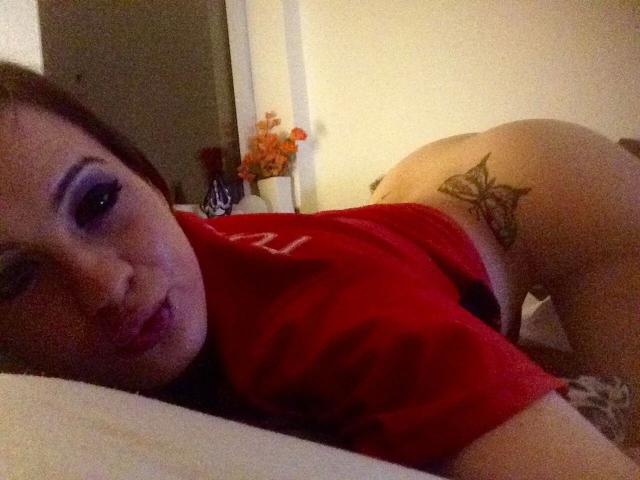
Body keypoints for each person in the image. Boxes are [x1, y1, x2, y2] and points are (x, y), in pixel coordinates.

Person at [0, 62, 637, 479]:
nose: (104, 285)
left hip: (551, 186)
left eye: (97, 202)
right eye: (15, 277)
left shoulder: (345, 324)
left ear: (146, 175)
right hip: (394, 215)